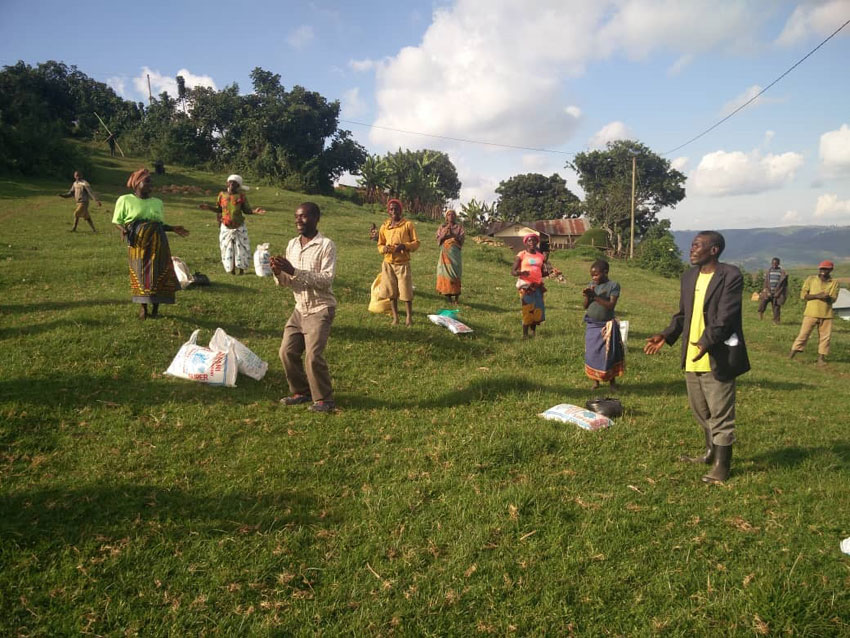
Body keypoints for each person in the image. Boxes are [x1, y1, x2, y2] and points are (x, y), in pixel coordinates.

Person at [644, 231, 750, 484]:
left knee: (721, 415)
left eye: (697, 246)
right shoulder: (689, 276)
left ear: (713, 250)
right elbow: (683, 315)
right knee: (701, 411)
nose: (691, 250)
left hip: (717, 355)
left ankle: (722, 467)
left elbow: (726, 316)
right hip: (692, 356)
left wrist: (706, 341)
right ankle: (710, 453)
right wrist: (666, 335)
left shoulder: (730, 276)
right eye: (692, 245)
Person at [271, 202, 337, 413]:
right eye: (296, 216)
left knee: (313, 356)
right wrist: (278, 272)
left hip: (320, 309)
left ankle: (324, 400)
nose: (298, 220)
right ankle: (301, 391)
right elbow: (287, 281)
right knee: (286, 352)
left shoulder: (326, 245)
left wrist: (294, 270)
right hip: (300, 308)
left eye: (304, 217)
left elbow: (326, 280)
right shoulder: (292, 245)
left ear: (316, 218)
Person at [112, 168, 189, 320]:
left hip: (158, 241)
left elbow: (159, 224)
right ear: (137, 183)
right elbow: (117, 220)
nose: (150, 185)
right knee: (141, 273)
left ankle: (156, 308)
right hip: (138, 242)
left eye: (150, 182)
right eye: (147, 181)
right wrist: (124, 230)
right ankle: (143, 306)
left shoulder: (157, 202)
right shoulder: (125, 199)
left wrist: (172, 228)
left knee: (159, 272)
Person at [199, 175, 266, 275]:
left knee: (241, 248)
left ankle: (242, 270)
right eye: (230, 182)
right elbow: (219, 209)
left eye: (234, 183)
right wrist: (208, 207)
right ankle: (232, 269)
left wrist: (255, 211)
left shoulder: (241, 196)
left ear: (238, 186)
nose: (232, 185)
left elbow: (246, 210)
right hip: (226, 227)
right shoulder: (222, 195)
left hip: (239, 226)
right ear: (227, 183)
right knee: (227, 249)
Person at [377, 198, 420, 326]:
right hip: (388, 263)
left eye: (396, 208)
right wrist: (383, 249)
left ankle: (408, 317)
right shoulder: (385, 226)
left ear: (400, 210)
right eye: (391, 209)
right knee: (391, 292)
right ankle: (395, 318)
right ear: (388, 212)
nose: (394, 211)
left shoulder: (408, 225)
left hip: (403, 263)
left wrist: (404, 246)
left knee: (406, 291)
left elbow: (416, 243)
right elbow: (380, 244)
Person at [583, 259, 624, 389]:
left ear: (605, 272)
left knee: (609, 354)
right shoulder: (592, 285)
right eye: (592, 275)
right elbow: (585, 306)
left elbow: (611, 306)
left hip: (606, 325)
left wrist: (595, 296)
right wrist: (587, 296)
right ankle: (595, 381)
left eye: (596, 275)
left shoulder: (613, 286)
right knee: (592, 353)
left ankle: (612, 382)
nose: (594, 278)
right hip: (592, 324)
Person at [789, 260, 840, 366]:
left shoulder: (834, 282)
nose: (823, 271)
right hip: (811, 313)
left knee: (825, 337)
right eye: (821, 268)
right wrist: (817, 296)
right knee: (803, 334)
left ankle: (821, 359)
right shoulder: (811, 279)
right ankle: (791, 355)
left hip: (826, 314)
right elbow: (803, 295)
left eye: (825, 269)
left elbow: (833, 298)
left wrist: (827, 298)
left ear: (830, 270)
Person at [511, 234, 549, 338]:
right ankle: (525, 334)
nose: (532, 242)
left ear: (537, 242)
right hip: (526, 286)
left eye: (534, 240)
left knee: (537, 308)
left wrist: (549, 272)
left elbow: (542, 272)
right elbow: (513, 272)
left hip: (537, 285)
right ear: (526, 243)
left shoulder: (540, 256)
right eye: (529, 241)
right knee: (527, 308)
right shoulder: (522, 254)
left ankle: (533, 332)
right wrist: (522, 273)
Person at [435, 209, 465, 304]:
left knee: (456, 274)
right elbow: (439, 240)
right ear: (446, 217)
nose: (451, 216)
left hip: (455, 253)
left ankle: (456, 298)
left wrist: (453, 235)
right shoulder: (442, 227)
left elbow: (461, 239)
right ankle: (448, 298)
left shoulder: (459, 227)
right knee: (446, 274)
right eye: (449, 215)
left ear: (455, 217)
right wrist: (445, 233)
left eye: (452, 215)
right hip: (445, 254)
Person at [757, 257, 788, 324]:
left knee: (776, 307)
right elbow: (765, 282)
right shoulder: (768, 271)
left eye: (776, 263)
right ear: (771, 263)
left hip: (777, 292)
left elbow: (783, 285)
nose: (774, 264)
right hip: (768, 291)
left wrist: (778, 293)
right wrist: (766, 291)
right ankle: (760, 312)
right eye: (773, 263)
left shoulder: (782, 272)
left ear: (778, 264)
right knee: (763, 302)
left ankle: (776, 320)